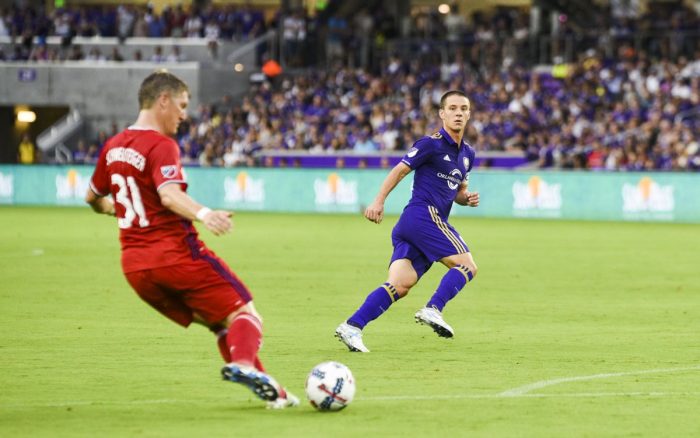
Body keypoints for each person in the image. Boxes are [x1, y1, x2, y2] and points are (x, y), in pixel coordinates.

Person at [85, 70, 298, 409]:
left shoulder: (113, 147)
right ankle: (243, 365)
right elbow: (168, 195)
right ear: (163, 100)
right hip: (176, 256)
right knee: (247, 314)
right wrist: (205, 214)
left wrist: (118, 208)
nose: (185, 115)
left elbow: (92, 197)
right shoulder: (161, 144)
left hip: (136, 269)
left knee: (220, 324)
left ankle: (275, 392)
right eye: (182, 105)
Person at [335, 90, 480, 352]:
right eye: (453, 108)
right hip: (423, 215)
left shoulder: (468, 154)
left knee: (400, 284)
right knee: (468, 266)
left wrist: (465, 198)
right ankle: (434, 308)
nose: (458, 113)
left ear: (469, 114)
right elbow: (400, 170)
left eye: (463, 109)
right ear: (442, 113)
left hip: (414, 226)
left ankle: (352, 326)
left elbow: (457, 192)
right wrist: (378, 201)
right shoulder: (429, 144)